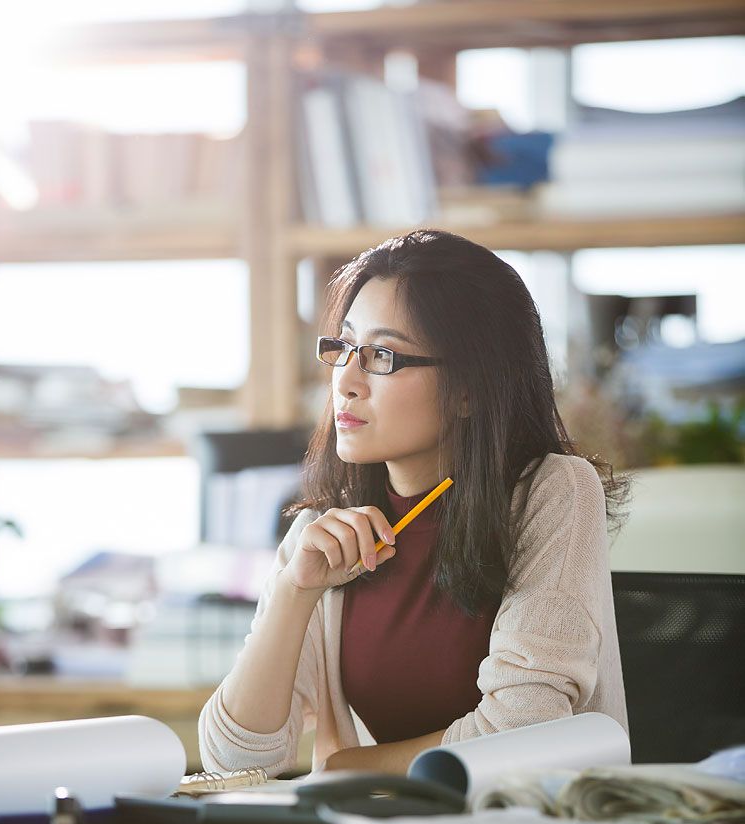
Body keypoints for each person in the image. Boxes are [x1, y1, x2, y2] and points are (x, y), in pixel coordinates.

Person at [199, 228, 630, 776]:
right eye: (344, 348)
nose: (346, 382)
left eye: (382, 354)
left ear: (470, 390)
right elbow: (232, 764)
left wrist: (346, 768)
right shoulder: (324, 529)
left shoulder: (553, 491)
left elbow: (526, 726)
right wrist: (293, 591)